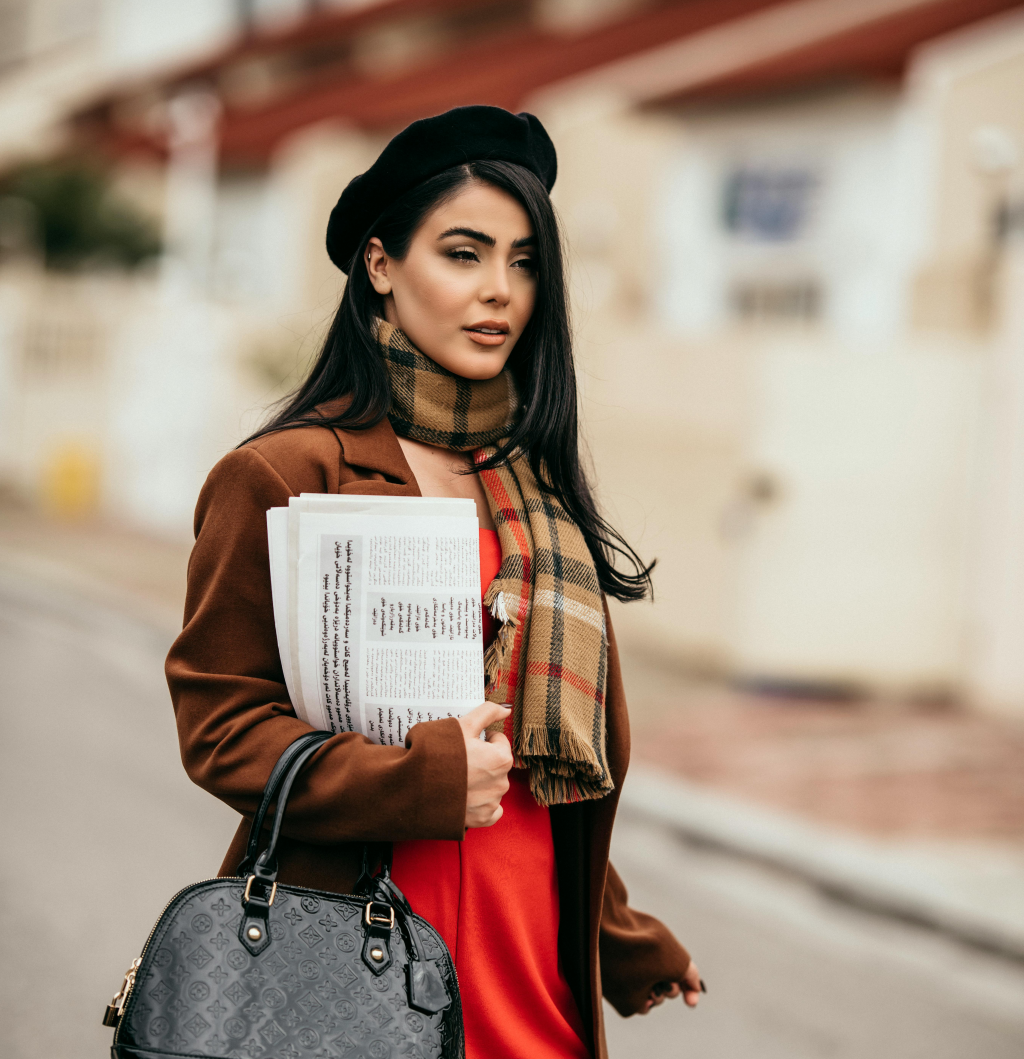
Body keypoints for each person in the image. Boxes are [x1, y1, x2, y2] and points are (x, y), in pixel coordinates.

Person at [166, 105, 701, 1059]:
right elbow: (222, 730)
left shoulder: (535, 494)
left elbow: (551, 773)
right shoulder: (288, 475)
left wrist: (618, 941)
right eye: (464, 253)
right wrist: (422, 778)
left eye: (525, 260)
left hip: (533, 972)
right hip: (356, 966)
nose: (501, 290)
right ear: (381, 265)